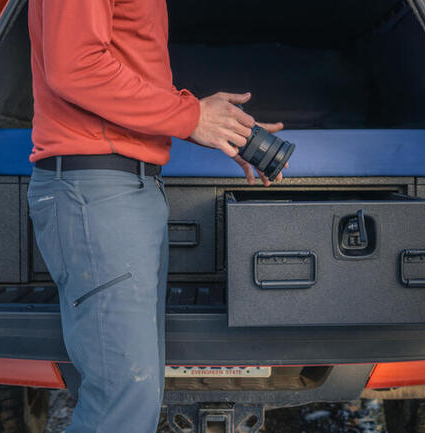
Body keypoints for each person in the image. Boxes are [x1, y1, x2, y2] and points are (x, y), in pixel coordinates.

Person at [26, 0, 283, 431]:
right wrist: (189, 116)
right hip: (99, 190)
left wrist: (207, 124)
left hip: (127, 187)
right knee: (121, 405)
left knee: (134, 400)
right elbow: (77, 65)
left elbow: (125, 65)